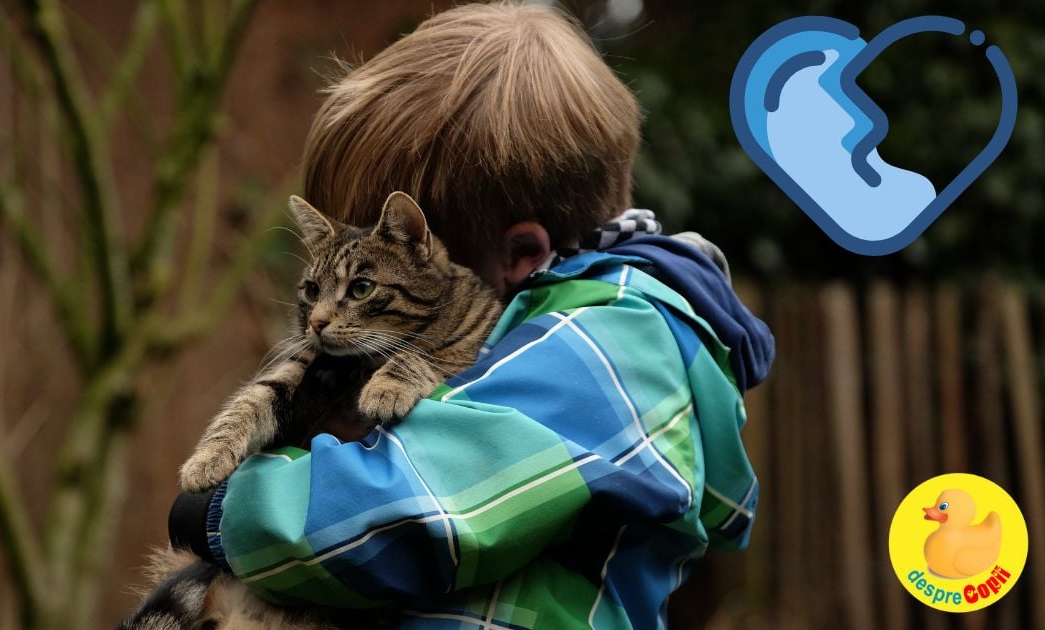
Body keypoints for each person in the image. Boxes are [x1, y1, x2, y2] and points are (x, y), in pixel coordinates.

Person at [169, 3, 774, 627]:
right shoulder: (560, 334)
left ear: (520, 256)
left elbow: (415, 513)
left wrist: (225, 512)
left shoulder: (616, 339)